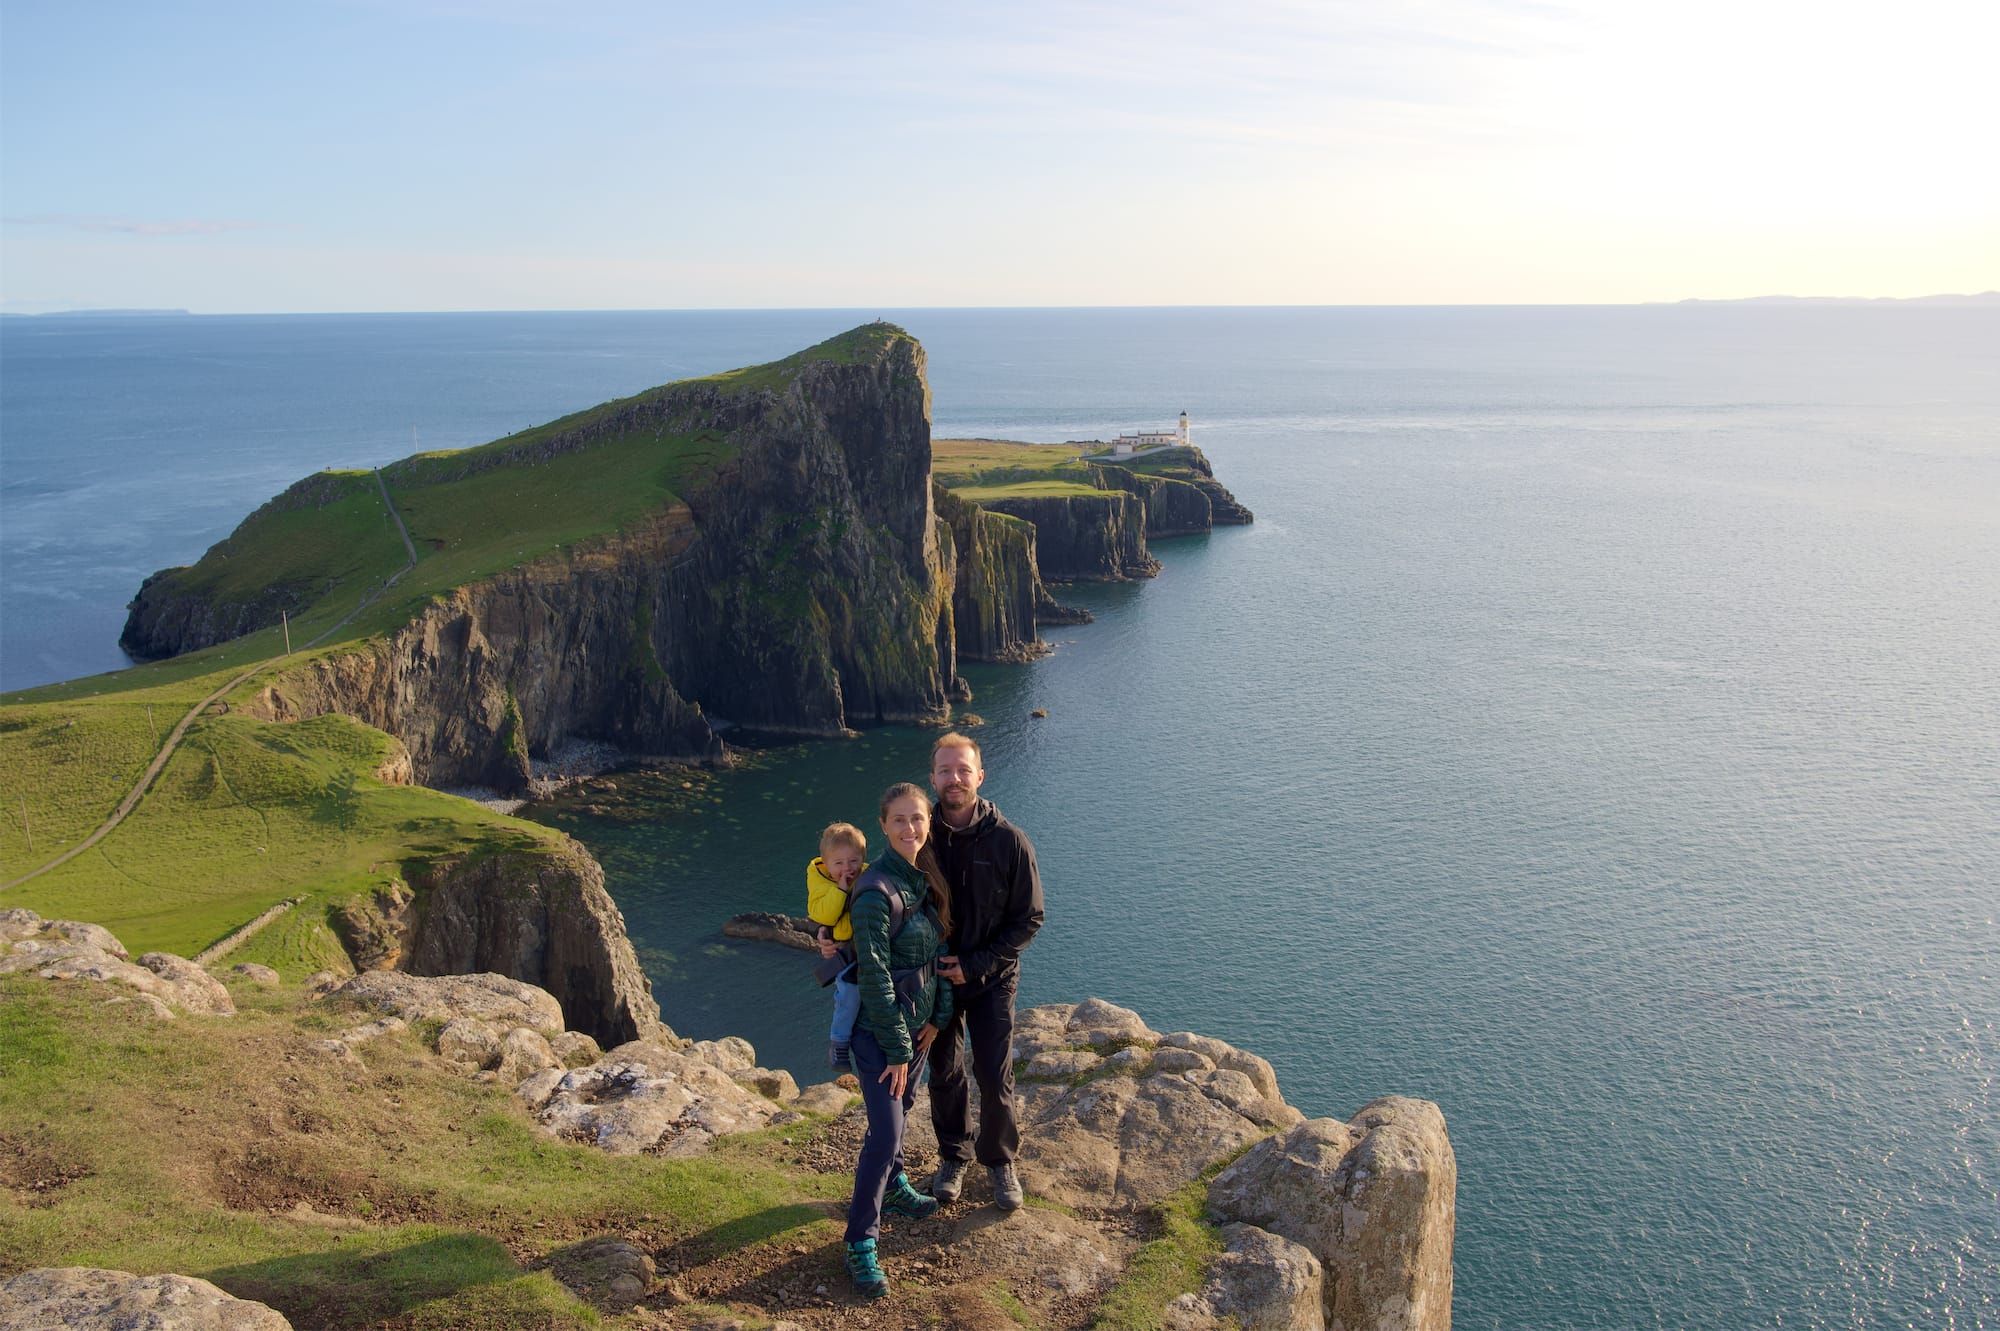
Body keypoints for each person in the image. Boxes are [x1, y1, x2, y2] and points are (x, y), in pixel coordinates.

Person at [842, 782, 956, 1300]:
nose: (911, 828)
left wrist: (939, 1017)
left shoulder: (924, 877)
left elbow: (938, 952)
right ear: (883, 827)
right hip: (882, 1039)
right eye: (900, 821)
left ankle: (894, 1188)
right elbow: (876, 977)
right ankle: (860, 1243)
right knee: (884, 1134)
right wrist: (898, 1050)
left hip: (918, 1031)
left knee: (903, 1114)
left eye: (918, 819)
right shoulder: (874, 891)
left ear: (928, 822)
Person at [923, 732, 1044, 1211]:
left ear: (980, 776)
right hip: (934, 978)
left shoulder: (1009, 842)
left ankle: (998, 1161)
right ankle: (954, 1153)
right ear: (932, 777)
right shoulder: (919, 833)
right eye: (945, 771)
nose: (954, 779)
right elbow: (875, 890)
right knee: (944, 1071)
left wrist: (973, 966)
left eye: (962, 770)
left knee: (993, 1074)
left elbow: (1029, 918)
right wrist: (834, 933)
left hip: (991, 978)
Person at [804, 821, 869, 1069]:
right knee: (848, 994)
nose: (847, 869)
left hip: (862, 946)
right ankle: (839, 1043)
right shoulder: (820, 881)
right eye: (838, 863)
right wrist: (841, 889)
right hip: (844, 951)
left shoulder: (867, 873)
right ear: (826, 862)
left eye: (853, 861)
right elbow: (826, 916)